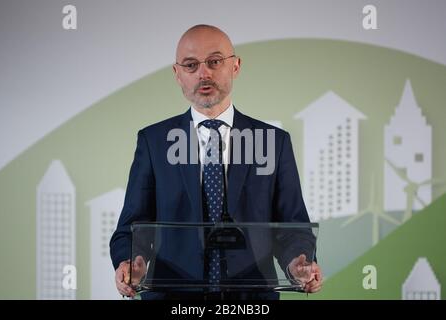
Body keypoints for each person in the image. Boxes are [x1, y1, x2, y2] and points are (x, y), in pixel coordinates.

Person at [110, 24, 322, 300]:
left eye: (214, 62)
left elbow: (293, 226)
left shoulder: (273, 142)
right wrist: (130, 262)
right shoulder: (154, 141)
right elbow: (131, 227)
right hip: (172, 299)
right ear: (177, 74)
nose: (203, 73)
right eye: (190, 65)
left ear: (235, 66)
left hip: (251, 301)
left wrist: (299, 262)